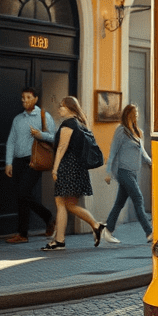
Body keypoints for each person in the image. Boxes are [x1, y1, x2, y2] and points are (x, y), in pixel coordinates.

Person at [43, 96, 112, 251]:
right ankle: (96, 225)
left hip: (68, 167)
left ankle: (59, 241)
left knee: (61, 204)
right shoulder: (80, 124)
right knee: (69, 205)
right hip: (77, 168)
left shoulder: (68, 124)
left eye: (62, 106)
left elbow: (62, 148)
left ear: (70, 108)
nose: (59, 109)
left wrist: (55, 168)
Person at [4, 87, 56, 244]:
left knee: (23, 193)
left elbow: (54, 137)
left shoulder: (44, 117)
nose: (24, 100)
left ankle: (46, 217)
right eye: (22, 98)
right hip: (18, 162)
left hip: (34, 162)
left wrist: (40, 135)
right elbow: (11, 141)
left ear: (35, 99)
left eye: (27, 97)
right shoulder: (18, 119)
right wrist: (8, 162)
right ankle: (23, 234)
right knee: (22, 197)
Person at [104, 104, 153, 243]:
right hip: (123, 172)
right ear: (128, 114)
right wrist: (108, 172)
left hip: (133, 172)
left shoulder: (137, 131)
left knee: (119, 203)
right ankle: (149, 232)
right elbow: (113, 151)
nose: (137, 115)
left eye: (137, 112)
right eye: (134, 112)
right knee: (138, 198)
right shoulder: (121, 131)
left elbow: (142, 152)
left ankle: (108, 231)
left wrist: (151, 163)